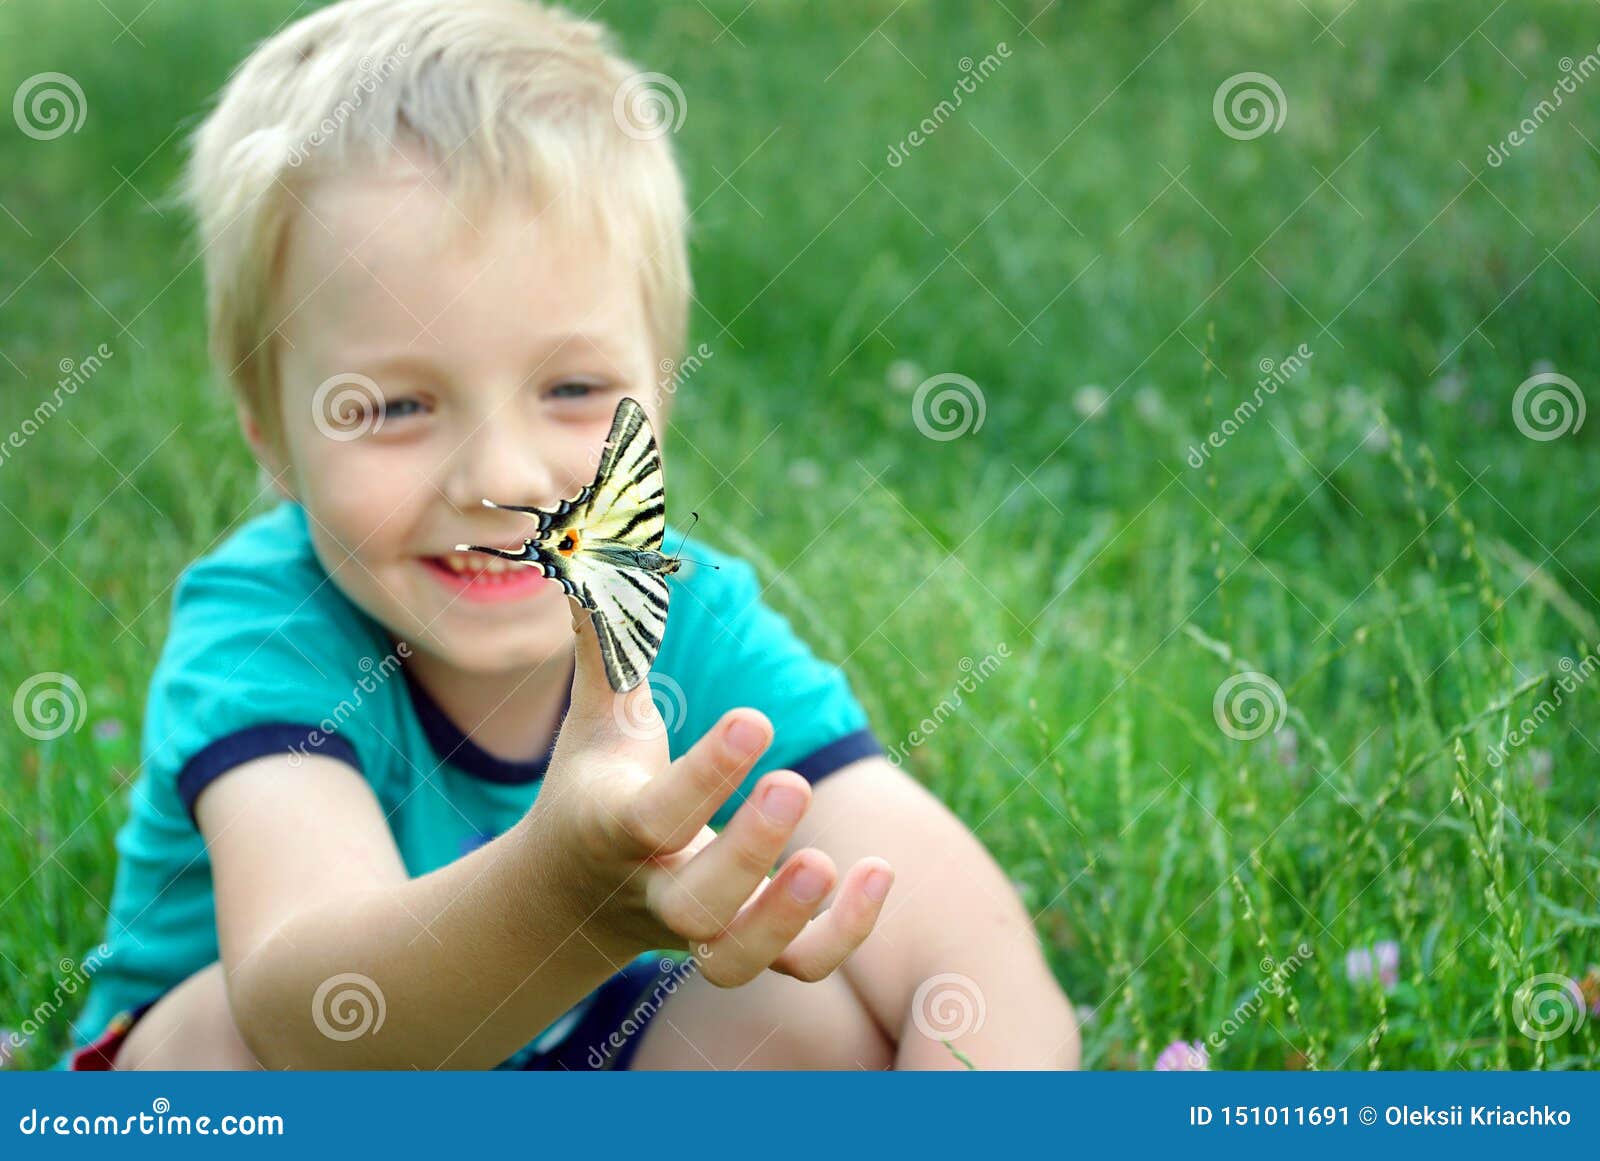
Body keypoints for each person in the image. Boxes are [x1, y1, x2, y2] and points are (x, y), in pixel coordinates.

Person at [67, 0, 1078, 1070]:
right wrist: (565, 904)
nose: (504, 479)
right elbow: (319, 1027)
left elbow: (973, 959)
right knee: (212, 1045)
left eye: (573, 388)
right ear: (272, 434)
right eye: (396, 407)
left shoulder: (687, 619)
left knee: (810, 1017)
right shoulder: (271, 626)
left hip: (569, 1065)